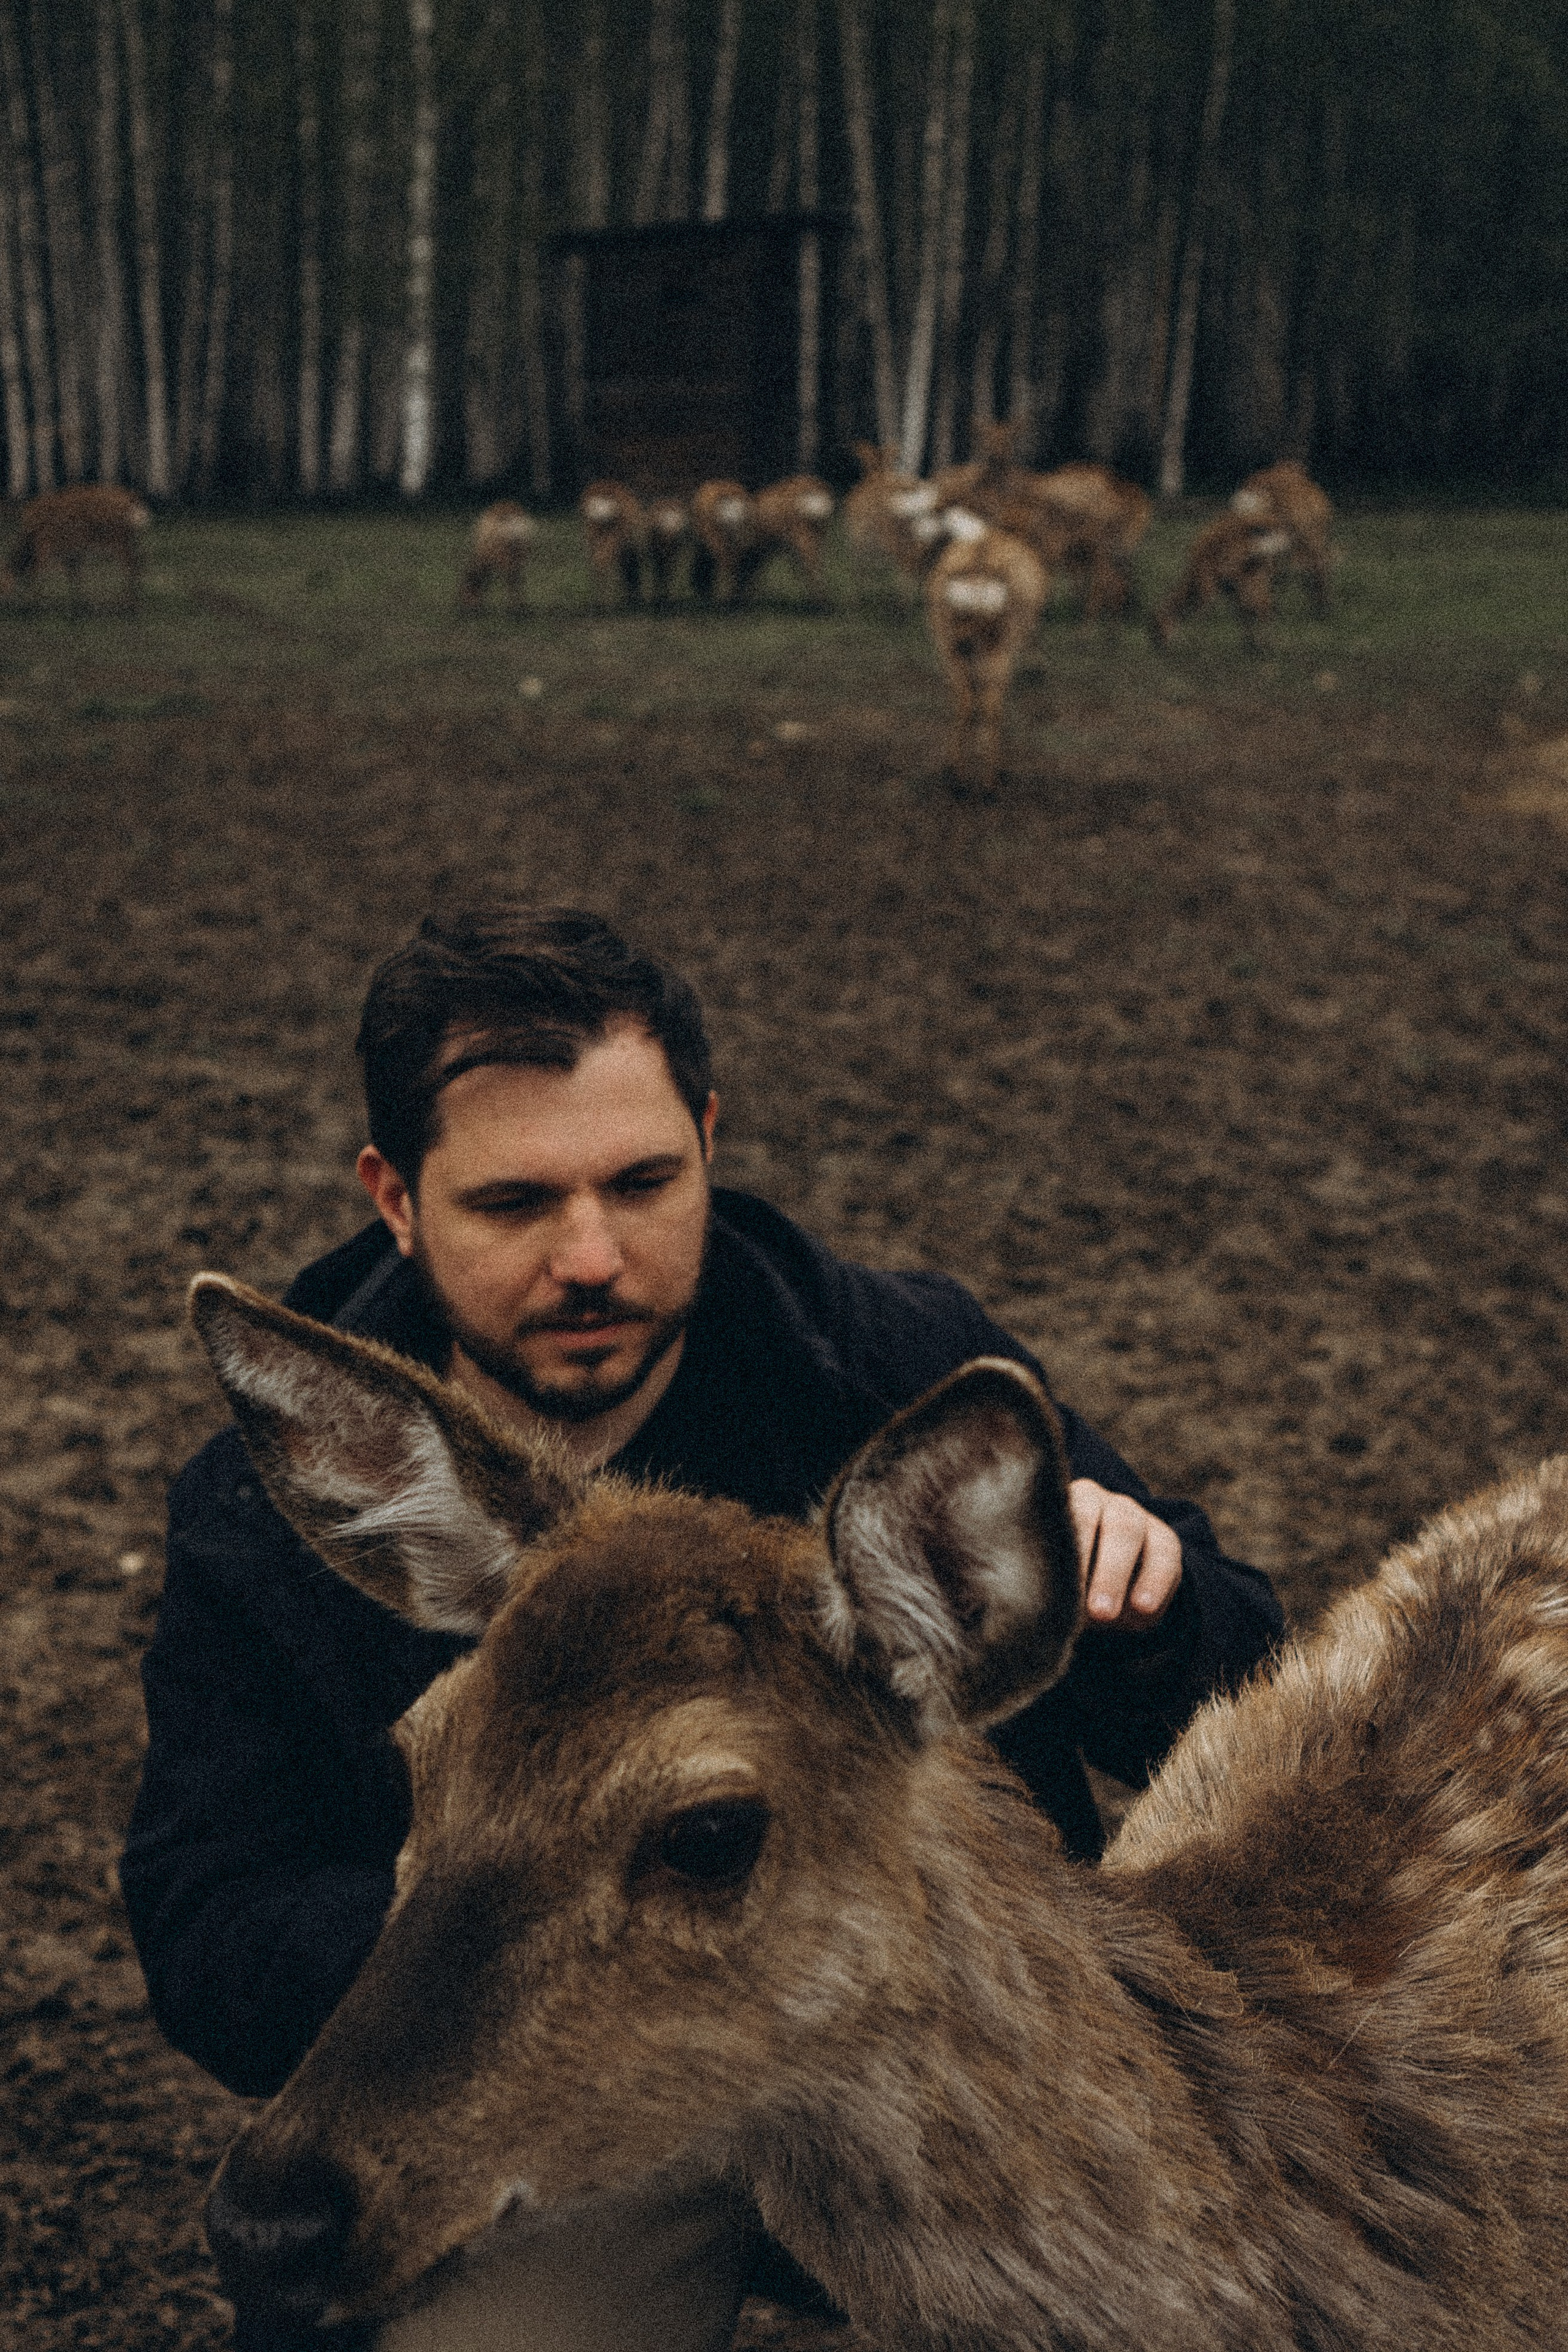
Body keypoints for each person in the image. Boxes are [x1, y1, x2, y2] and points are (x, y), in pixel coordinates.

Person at [123, 905, 1284, 2352]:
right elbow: (205, 1922)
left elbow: (1262, 1697)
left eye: (643, 1181)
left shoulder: (892, 1372)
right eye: (513, 1205)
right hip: (576, 2104)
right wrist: (538, 1943)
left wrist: (1142, 1607)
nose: (592, 1255)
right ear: (395, 1198)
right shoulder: (280, 1511)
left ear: (710, 1144)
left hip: (920, 2064)